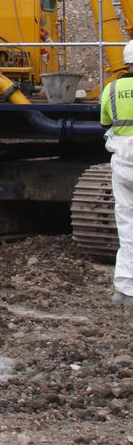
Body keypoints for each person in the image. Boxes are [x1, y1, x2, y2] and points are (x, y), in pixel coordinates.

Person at [99, 39, 133, 306]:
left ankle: (124, 288)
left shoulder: (111, 89)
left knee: (126, 222)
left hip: (122, 162)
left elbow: (104, 122)